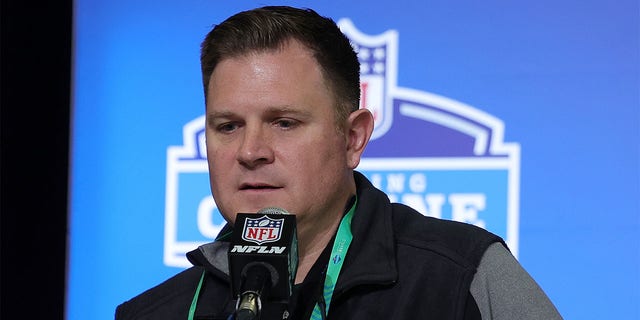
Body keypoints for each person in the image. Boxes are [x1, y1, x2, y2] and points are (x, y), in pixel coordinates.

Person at [116, 6, 562, 320]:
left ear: (353, 138)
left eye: (284, 123)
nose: (250, 151)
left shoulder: (463, 276)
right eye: (228, 126)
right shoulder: (153, 312)